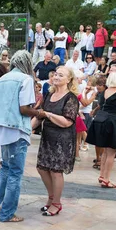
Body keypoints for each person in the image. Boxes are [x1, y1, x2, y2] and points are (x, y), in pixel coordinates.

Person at [0, 50, 45, 222]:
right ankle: (7, 213)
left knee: (6, 168)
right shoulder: (26, 79)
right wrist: (39, 113)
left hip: (1, 127)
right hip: (16, 128)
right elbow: (24, 109)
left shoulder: (2, 79)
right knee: (15, 172)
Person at [33, 66, 79, 216]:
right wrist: (26, 130)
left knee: (56, 171)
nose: (57, 77)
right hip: (47, 136)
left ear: (69, 79)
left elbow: (67, 122)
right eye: (56, 74)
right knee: (42, 168)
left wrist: (48, 114)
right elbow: (39, 116)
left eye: (61, 75)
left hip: (62, 139)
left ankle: (56, 203)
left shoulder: (71, 97)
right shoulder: (49, 94)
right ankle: (51, 197)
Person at [85, 71, 116, 188]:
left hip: (101, 120)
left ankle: (102, 176)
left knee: (105, 152)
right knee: (111, 153)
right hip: (112, 122)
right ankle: (106, 179)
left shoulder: (105, 91)